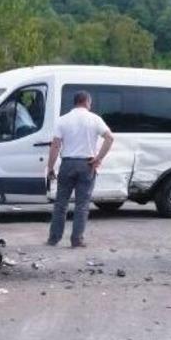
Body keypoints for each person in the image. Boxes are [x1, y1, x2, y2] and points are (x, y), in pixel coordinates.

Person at [46, 91, 115, 248]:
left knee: (60, 204)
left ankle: (54, 238)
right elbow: (110, 138)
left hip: (67, 164)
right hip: (87, 165)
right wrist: (98, 158)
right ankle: (77, 240)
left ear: (75, 102)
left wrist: (50, 168)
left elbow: (55, 145)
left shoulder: (62, 120)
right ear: (86, 102)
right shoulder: (95, 119)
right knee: (82, 205)